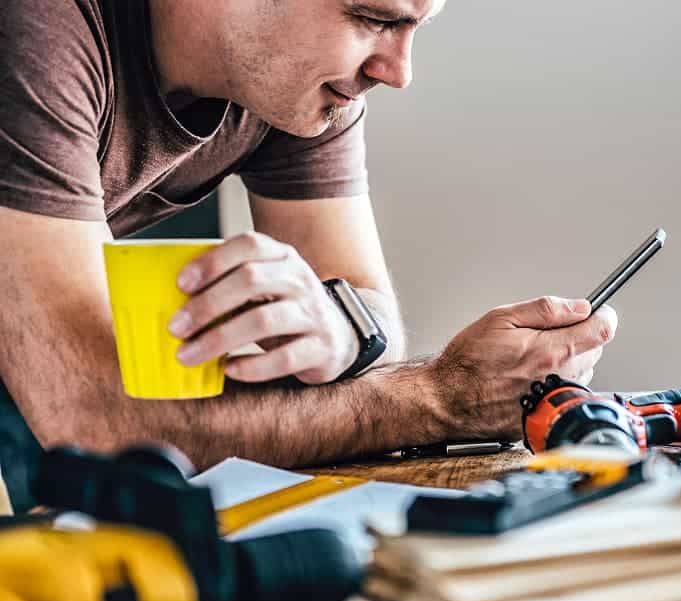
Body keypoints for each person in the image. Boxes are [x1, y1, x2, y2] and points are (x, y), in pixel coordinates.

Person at [0, 0, 617, 510]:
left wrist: (339, 326)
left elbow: (370, 316)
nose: (397, 72)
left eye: (415, 28)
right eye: (374, 20)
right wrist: (441, 398)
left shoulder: (295, 87)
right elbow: (97, 422)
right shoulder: (32, 30)